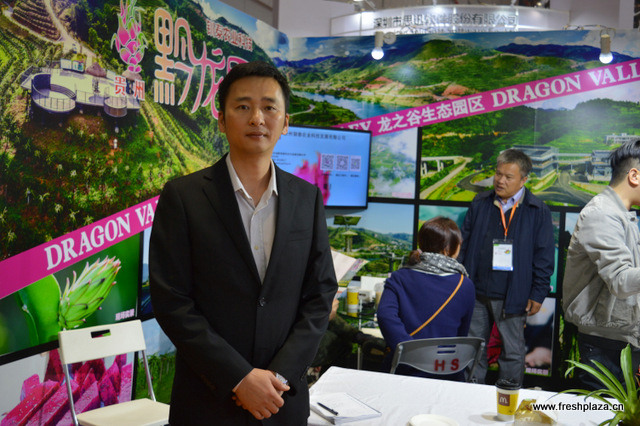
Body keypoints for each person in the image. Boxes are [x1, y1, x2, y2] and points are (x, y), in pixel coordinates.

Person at [149, 61, 338, 425]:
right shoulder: (183, 197)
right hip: (208, 401)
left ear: (285, 122)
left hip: (282, 401)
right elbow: (171, 300)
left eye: (269, 107)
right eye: (243, 106)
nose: (257, 118)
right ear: (221, 120)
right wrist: (238, 377)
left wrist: (279, 376)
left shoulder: (307, 198)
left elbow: (320, 293)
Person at [458, 148, 554, 386]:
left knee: (512, 351)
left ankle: (508, 398)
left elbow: (544, 257)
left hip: (513, 294)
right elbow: (463, 244)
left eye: (508, 177)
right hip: (477, 291)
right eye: (498, 174)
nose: (500, 180)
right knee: (474, 348)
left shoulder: (538, 210)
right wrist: (460, 282)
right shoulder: (480, 202)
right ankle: (471, 393)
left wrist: (538, 293)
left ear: (523, 180)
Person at [563, 139, 640, 389]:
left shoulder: (621, 214)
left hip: (620, 337)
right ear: (634, 176)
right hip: (605, 344)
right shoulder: (602, 213)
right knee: (600, 411)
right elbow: (621, 280)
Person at [377, 216, 476, 381]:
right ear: (448, 248)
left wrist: (409, 351)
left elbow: (385, 315)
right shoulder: (465, 285)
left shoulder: (399, 277)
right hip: (447, 372)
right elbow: (462, 335)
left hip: (404, 370)